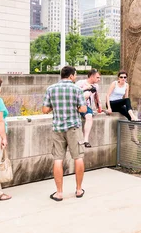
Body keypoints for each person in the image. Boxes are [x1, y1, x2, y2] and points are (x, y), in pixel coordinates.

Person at [43, 66, 87, 201]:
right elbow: (83, 109)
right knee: (78, 157)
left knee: (58, 159)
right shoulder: (77, 89)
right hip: (74, 128)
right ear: (71, 76)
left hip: (58, 128)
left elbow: (45, 110)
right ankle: (79, 190)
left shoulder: (51, 89)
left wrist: (55, 107)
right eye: (75, 75)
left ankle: (59, 193)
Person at [75, 69, 102, 148]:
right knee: (86, 93)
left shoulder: (96, 86)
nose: (99, 79)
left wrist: (99, 107)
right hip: (76, 104)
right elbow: (73, 92)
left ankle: (86, 140)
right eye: (97, 77)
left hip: (86, 106)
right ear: (92, 76)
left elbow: (97, 97)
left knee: (89, 116)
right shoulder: (81, 83)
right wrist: (86, 88)